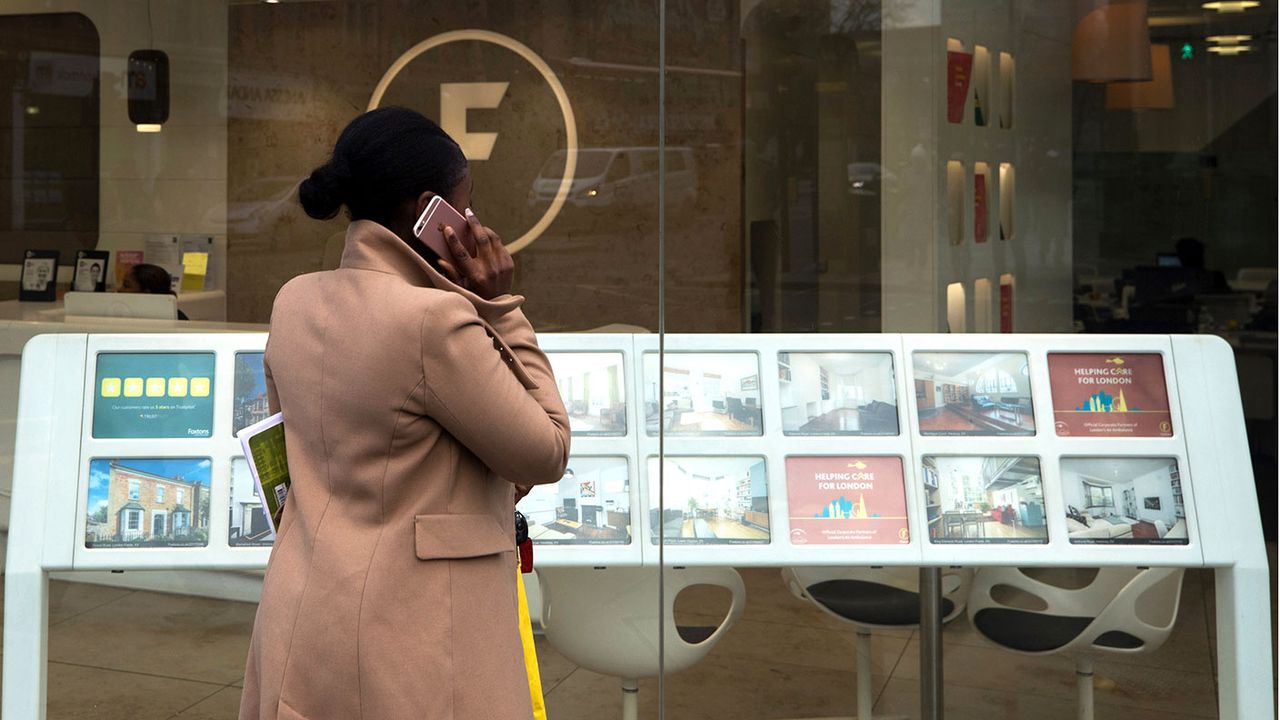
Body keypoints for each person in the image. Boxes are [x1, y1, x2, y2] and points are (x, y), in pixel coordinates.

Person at [238, 107, 570, 720]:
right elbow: (546, 449)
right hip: (412, 637)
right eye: (464, 206)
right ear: (428, 210)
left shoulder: (294, 300)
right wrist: (499, 306)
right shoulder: (433, 321)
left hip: (302, 612)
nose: (473, 224)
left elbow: (300, 455)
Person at [119, 263, 189, 320]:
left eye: (126, 285)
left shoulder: (177, 319)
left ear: (146, 294)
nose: (119, 290)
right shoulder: (124, 314)